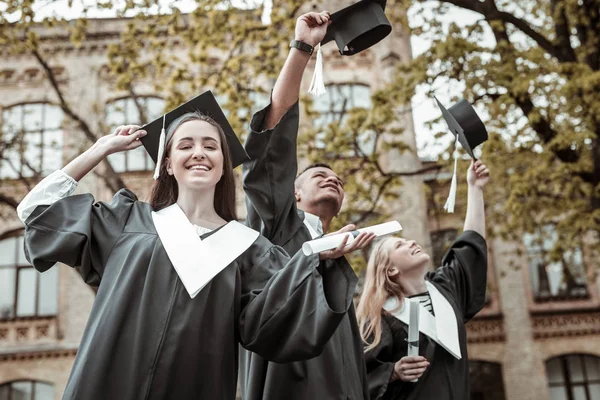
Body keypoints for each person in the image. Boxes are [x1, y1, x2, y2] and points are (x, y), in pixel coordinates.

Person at [16, 92, 370, 400]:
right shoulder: (126, 221)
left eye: (210, 146)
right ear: (167, 164)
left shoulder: (251, 252)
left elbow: (280, 326)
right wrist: (101, 148)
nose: (199, 152)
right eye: (185, 145)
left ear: (222, 166)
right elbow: (35, 212)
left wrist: (318, 260)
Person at [240, 10, 376, 400]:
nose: (333, 178)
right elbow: (272, 150)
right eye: (319, 175)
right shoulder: (277, 228)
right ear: (292, 193)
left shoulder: (336, 257)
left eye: (339, 179)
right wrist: (302, 48)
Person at [356, 160, 490, 400]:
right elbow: (356, 378)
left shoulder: (445, 289)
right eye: (400, 244)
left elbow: (470, 246)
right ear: (390, 271)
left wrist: (475, 188)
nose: (412, 242)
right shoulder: (379, 317)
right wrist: (393, 372)